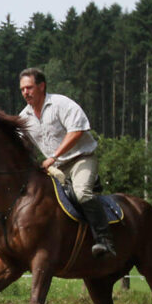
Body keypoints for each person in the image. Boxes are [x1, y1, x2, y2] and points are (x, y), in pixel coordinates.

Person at [18, 67, 113, 258]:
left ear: (42, 86)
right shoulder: (24, 117)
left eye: (29, 88)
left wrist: (53, 156)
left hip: (81, 159)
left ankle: (105, 240)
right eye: (22, 89)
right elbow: (19, 144)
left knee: (82, 194)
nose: (25, 93)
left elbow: (77, 131)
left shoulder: (61, 104)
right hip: (54, 168)